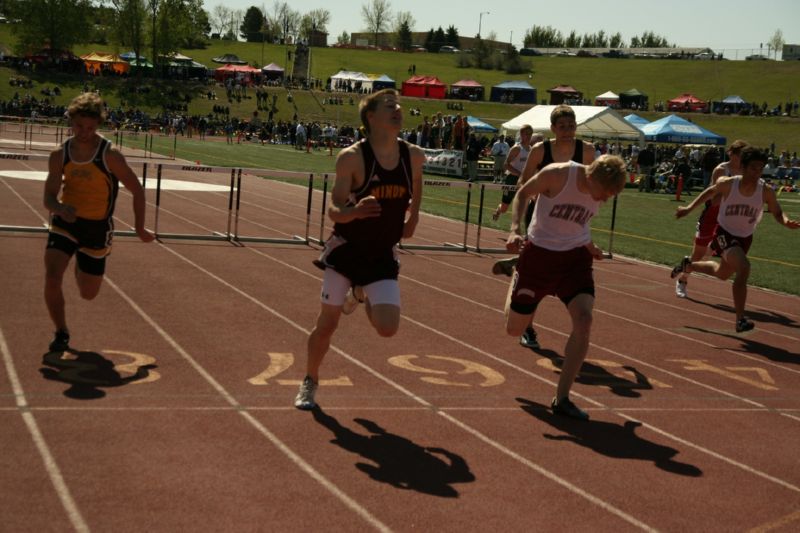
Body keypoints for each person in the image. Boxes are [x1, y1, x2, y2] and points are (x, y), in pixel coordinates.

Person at [295, 89, 424, 410]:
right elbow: (334, 209)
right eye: (389, 106)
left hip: (381, 252)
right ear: (371, 116)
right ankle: (309, 380)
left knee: (387, 328)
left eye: (399, 106)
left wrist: (414, 217)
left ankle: (359, 295)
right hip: (348, 250)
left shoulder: (414, 156)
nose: (398, 110)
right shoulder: (352, 158)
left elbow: (417, 187)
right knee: (327, 325)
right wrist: (353, 213)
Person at [505, 154, 627, 420]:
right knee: (514, 328)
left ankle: (562, 399)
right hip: (539, 256)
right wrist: (515, 229)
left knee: (584, 321)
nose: (604, 200)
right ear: (592, 177)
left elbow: (579, 223)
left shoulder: (598, 189)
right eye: (603, 194)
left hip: (575, 260)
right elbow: (523, 193)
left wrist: (590, 246)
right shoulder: (558, 174)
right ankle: (516, 273)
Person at [43, 93, 155, 352]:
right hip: (66, 223)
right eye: (79, 126)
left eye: (90, 128)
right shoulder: (60, 155)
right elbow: (48, 197)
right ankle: (61, 332)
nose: (84, 132)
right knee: (51, 277)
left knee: (88, 293)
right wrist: (59, 207)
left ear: (98, 125)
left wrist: (139, 227)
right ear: (71, 122)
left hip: (97, 228)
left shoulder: (110, 155)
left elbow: (137, 190)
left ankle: (81, 263)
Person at [493, 105, 595, 350]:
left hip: (571, 219)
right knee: (537, 275)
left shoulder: (587, 151)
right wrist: (538, 194)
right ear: (553, 129)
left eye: (571, 126)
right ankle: (527, 327)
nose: (567, 131)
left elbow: (593, 186)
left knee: (567, 274)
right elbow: (523, 184)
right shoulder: (541, 150)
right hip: (540, 216)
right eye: (562, 127)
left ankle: (521, 269)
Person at [670, 147, 799, 332]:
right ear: (744, 167)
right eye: (753, 168)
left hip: (745, 237)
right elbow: (709, 192)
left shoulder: (766, 190)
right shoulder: (729, 183)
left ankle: (688, 265)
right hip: (724, 233)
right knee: (744, 267)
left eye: (761, 168)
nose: (757, 172)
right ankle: (740, 320)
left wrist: (786, 222)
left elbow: (777, 212)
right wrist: (688, 209)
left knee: (722, 274)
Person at [675, 140, 748, 298]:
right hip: (712, 215)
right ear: (731, 154)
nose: (742, 159)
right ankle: (683, 280)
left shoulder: (745, 170)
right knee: (699, 254)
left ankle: (687, 265)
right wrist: (734, 191)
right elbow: (714, 199)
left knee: (713, 255)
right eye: (740, 155)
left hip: (730, 218)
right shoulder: (721, 170)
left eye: (745, 155)